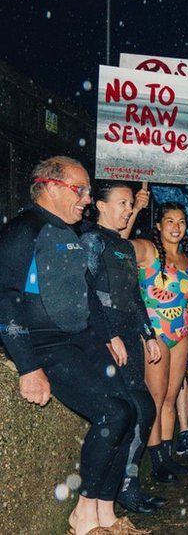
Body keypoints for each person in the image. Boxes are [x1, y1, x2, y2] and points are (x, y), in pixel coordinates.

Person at [0, 157, 142, 535]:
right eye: (79, 190)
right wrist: (28, 367)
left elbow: (85, 293)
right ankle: (83, 514)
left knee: (131, 410)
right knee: (112, 412)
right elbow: (6, 298)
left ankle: (106, 513)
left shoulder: (68, 231)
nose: (86, 199)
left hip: (83, 337)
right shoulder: (23, 230)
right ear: (48, 186)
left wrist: (109, 333)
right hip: (48, 343)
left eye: (88, 192)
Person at [81, 181, 165, 513]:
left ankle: (128, 485)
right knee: (132, 410)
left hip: (130, 337)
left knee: (143, 410)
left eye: (131, 204)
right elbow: (85, 291)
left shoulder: (125, 247)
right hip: (107, 339)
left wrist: (150, 334)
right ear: (100, 205)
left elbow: (134, 296)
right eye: (122, 202)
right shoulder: (91, 240)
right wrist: (106, 334)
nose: (128, 209)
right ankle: (115, 490)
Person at [133, 202, 188, 483]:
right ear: (158, 226)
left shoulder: (185, 258)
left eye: (181, 221)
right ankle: (156, 461)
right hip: (155, 333)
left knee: (171, 399)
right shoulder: (147, 250)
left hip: (181, 333)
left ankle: (167, 457)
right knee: (155, 399)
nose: (176, 227)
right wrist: (134, 209)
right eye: (169, 221)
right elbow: (116, 243)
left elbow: (185, 304)